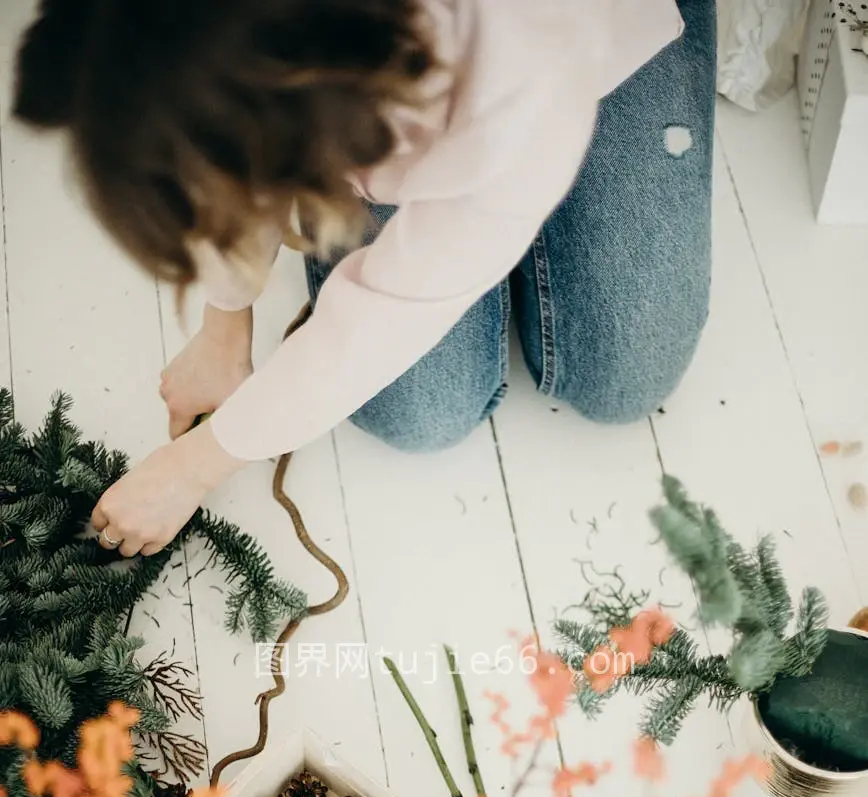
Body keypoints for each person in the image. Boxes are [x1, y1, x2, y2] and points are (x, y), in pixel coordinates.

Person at [14, 0, 715, 558]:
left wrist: (195, 466)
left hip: (560, 44)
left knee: (622, 376)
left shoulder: (517, 65)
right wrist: (225, 324)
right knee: (418, 414)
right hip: (395, 83)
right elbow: (233, 148)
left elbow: (389, 311)